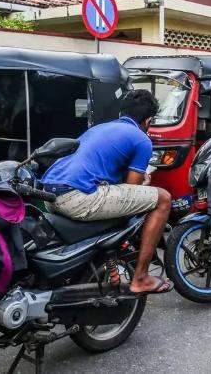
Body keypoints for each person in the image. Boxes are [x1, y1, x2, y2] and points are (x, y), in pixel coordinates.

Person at [41, 90, 172, 295]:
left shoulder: (99, 128)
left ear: (122, 113)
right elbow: (132, 188)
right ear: (149, 120)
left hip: (49, 194)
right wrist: (145, 181)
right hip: (77, 197)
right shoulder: (141, 139)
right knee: (163, 199)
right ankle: (141, 278)